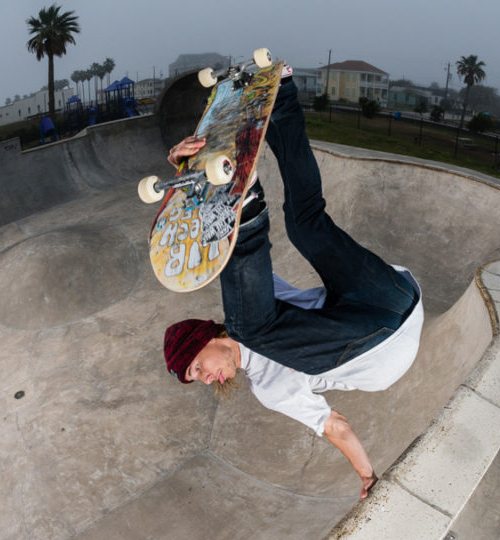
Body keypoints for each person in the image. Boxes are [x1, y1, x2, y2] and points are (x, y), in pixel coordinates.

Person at [163, 76, 424, 499]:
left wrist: (188, 168)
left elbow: (217, 249)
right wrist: (366, 475)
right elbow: (335, 425)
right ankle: (246, 205)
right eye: (202, 381)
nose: (209, 379)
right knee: (251, 327)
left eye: (197, 369)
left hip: (392, 297)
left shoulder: (250, 312)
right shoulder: (269, 388)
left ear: (202, 338)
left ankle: (283, 102)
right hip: (382, 350)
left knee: (306, 225)